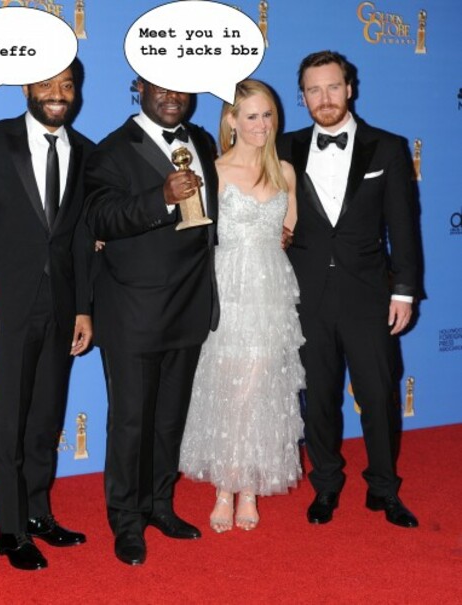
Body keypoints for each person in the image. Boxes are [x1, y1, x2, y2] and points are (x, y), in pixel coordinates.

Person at [0, 60, 95, 571]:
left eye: (66, 85)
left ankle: (38, 513)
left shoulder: (82, 151)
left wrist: (84, 305)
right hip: (2, 307)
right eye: (47, 85)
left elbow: (80, 235)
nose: (57, 94)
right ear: (26, 88)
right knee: (7, 421)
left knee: (43, 420)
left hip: (60, 308)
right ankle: (11, 529)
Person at [277, 50, 420, 528]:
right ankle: (326, 486)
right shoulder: (283, 148)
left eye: (332, 87)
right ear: (302, 98)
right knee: (318, 398)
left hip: (368, 296)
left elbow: (404, 225)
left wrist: (404, 289)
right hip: (305, 296)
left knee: (378, 396)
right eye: (314, 90)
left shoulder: (387, 147)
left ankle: (383, 488)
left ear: (350, 88)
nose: (324, 98)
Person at [85, 78, 219, 565]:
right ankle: (126, 520)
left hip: (189, 305)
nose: (172, 96)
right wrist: (161, 197)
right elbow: (100, 218)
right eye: (161, 86)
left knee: (168, 421)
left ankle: (160, 505)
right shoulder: (111, 151)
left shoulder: (201, 141)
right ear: (138, 87)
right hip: (134, 312)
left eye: (182, 88)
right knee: (130, 423)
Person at [180, 80, 305, 533]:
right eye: (251, 115)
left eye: (268, 115)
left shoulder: (285, 172)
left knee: (262, 388)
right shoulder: (209, 171)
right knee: (230, 388)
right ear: (231, 119)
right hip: (225, 292)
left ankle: (248, 487)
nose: (261, 125)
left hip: (270, 295)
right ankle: (224, 488)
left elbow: (287, 234)